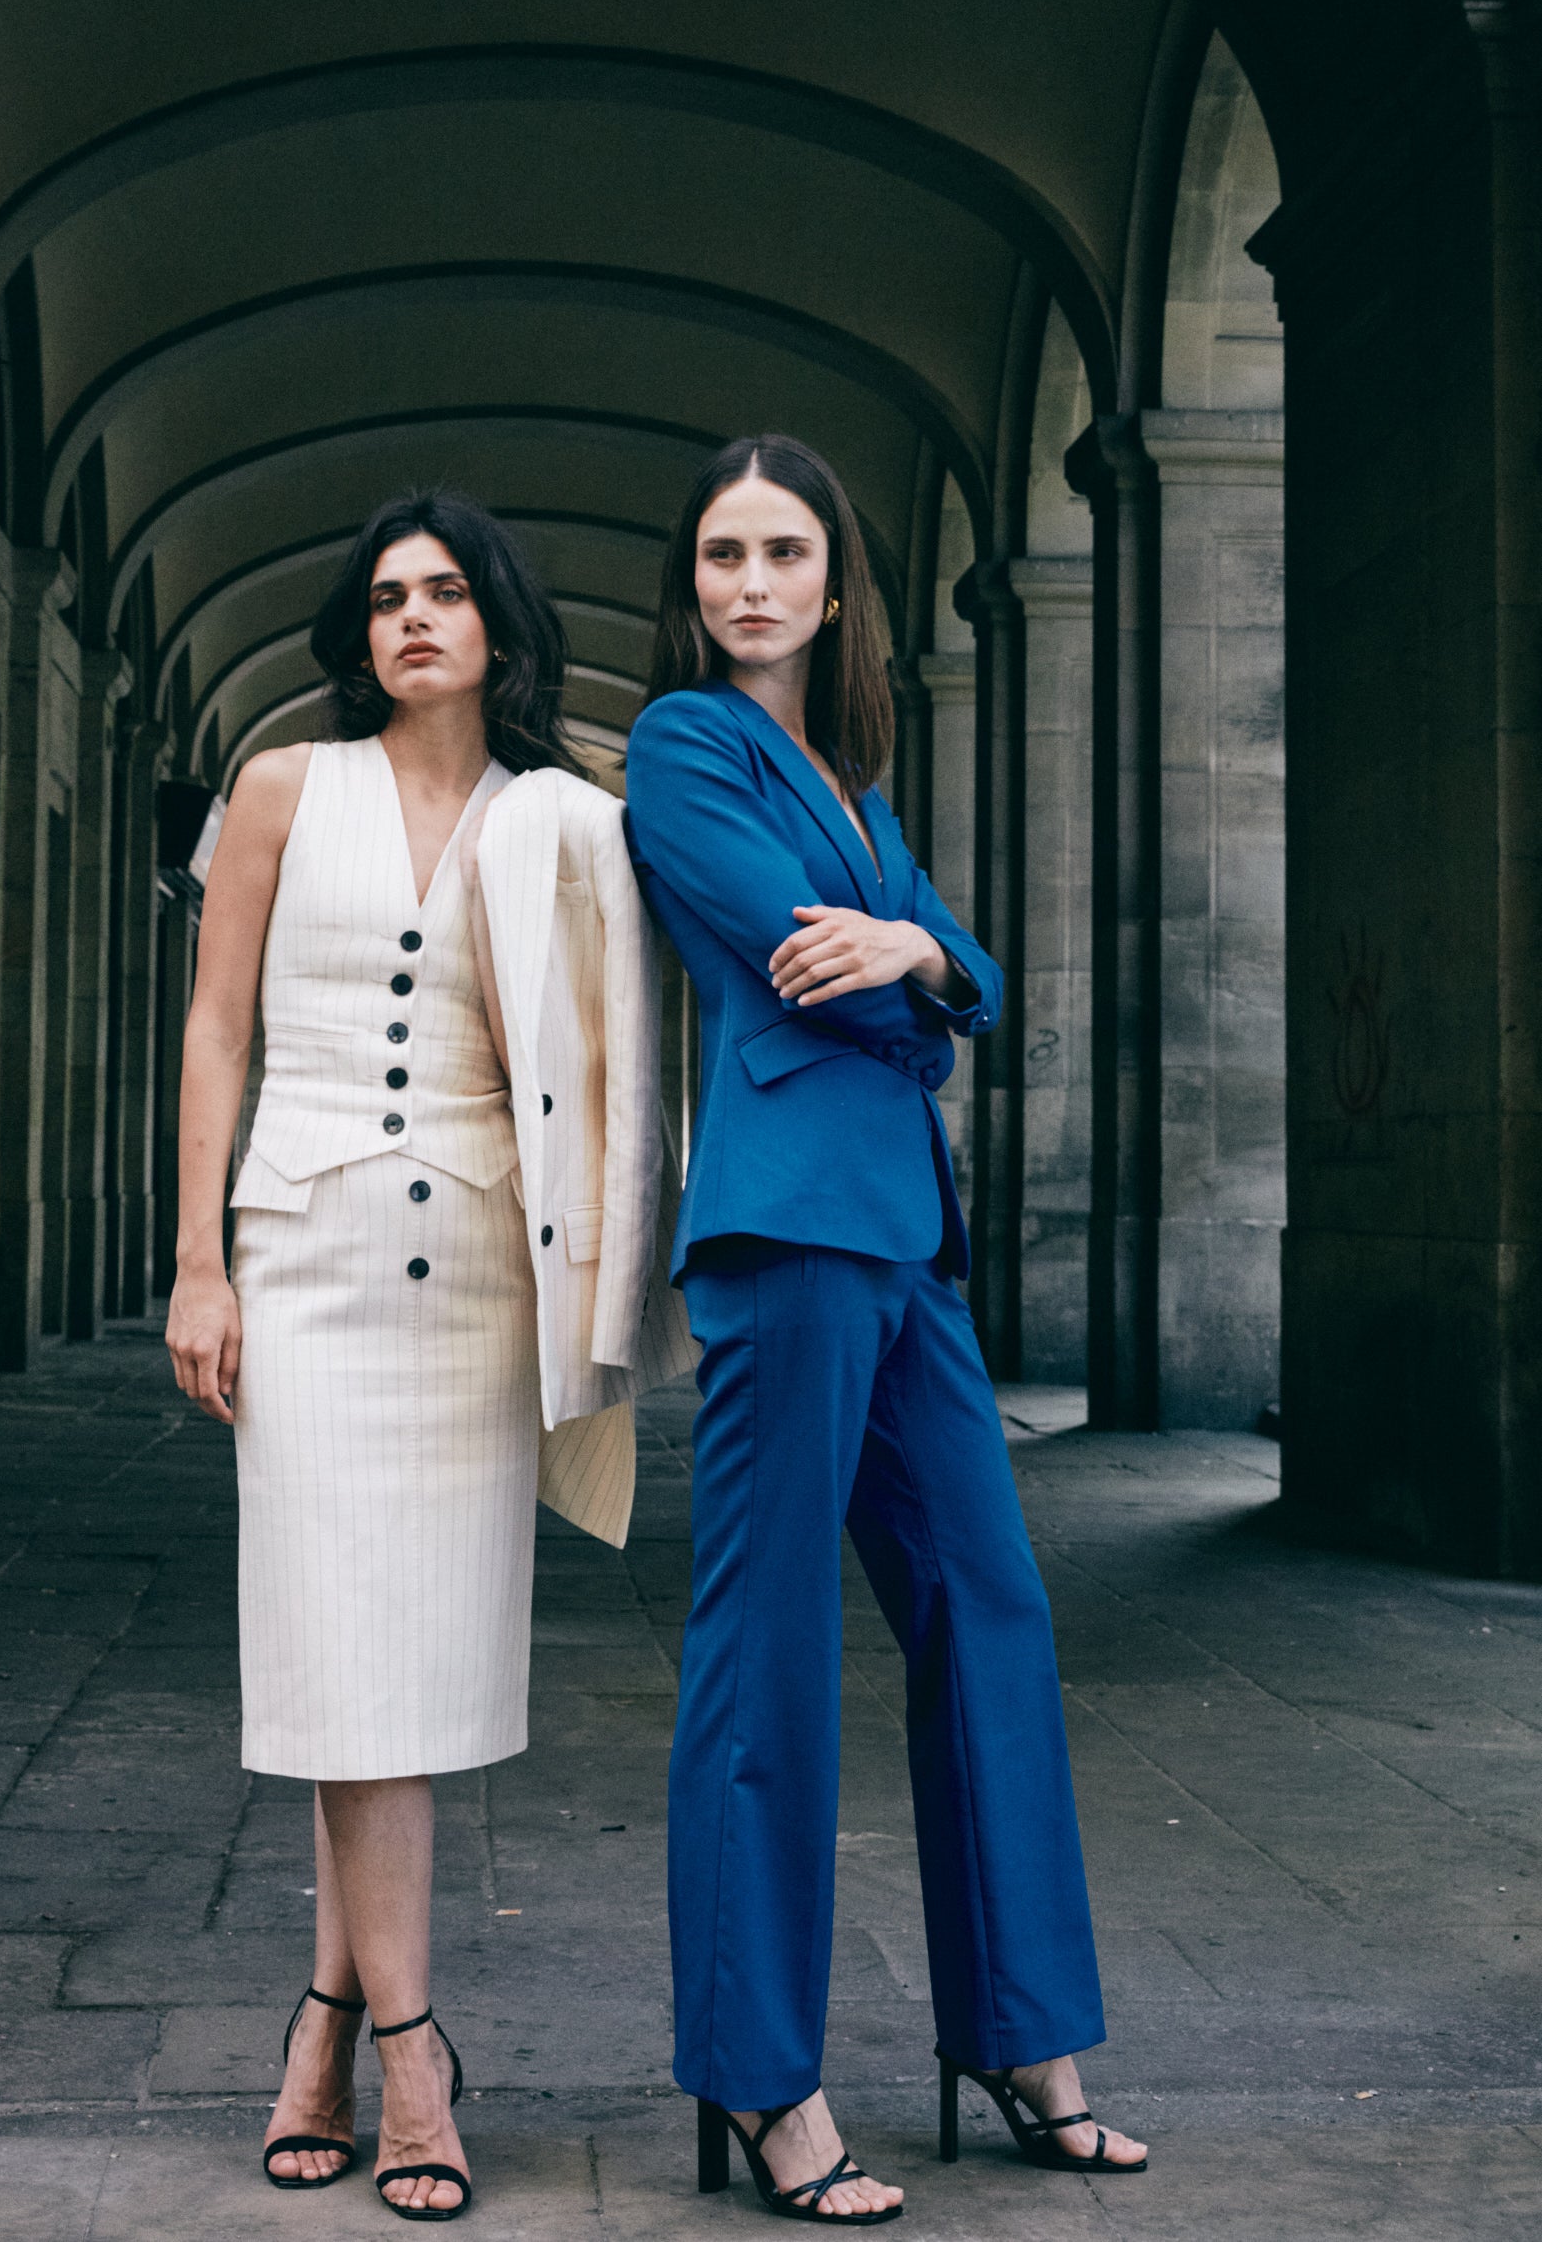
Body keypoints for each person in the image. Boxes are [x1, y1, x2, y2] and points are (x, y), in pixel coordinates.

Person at [625, 434, 1147, 2224]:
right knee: (764, 1646)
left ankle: (1020, 2032)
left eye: (782, 551)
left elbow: (950, 967)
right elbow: (808, 959)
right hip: (782, 1233)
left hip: (908, 1245)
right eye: (719, 552)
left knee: (988, 1603)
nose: (749, 581)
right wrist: (911, 973)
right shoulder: (683, 746)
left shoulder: (856, 781)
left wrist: (916, 960)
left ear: (834, 584)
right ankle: (761, 2076)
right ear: (689, 580)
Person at [166, 488, 684, 2222]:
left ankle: (320, 2013)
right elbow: (217, 1021)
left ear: (497, 625)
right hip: (304, 1268)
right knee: (336, 1650)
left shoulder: (562, 818)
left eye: (445, 592)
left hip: (476, 1278)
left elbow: (624, 1037)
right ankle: (411, 2050)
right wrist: (195, 1260)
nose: (410, 618)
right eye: (384, 594)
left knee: (398, 1671)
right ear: (355, 630)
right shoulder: (276, 788)